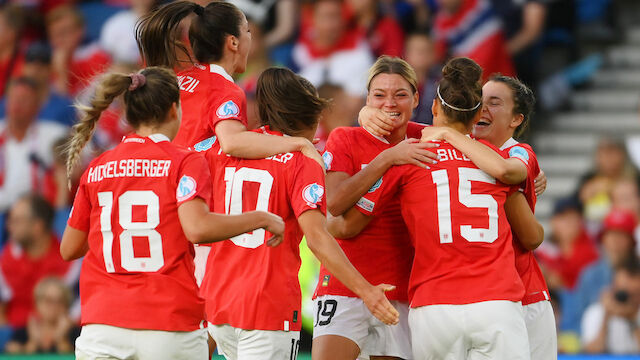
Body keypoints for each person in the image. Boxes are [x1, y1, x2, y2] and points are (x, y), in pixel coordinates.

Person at [60, 66, 284, 359]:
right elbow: (197, 228)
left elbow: (69, 248)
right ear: (174, 109)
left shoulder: (98, 167)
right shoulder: (184, 161)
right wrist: (262, 218)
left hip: (102, 325)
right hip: (167, 323)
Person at [340, 57, 543, 359]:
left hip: (434, 305)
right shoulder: (494, 158)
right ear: (477, 117)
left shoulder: (409, 157)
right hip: (496, 300)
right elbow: (532, 236)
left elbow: (347, 224)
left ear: (433, 108)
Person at [200, 67, 400, 360]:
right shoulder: (302, 160)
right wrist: (367, 291)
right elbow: (318, 238)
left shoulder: (223, 148)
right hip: (268, 310)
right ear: (309, 120)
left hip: (217, 304)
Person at [312, 56, 437, 360]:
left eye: (400, 94)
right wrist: (388, 158)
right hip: (345, 286)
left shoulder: (428, 139)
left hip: (402, 289)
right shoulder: (346, 138)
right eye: (379, 95)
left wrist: (520, 162)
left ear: (417, 97)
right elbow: (336, 202)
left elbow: (471, 142)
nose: (389, 103)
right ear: (367, 99)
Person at [0, 194, 74, 337]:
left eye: (17, 221)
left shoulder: (69, 260)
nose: (9, 226)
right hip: (14, 342)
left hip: (62, 340)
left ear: (37, 226)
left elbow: (75, 312)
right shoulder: (6, 259)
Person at [0, 77, 68, 213]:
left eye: (24, 99)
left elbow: (82, 164)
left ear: (38, 105)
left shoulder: (53, 134)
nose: (17, 103)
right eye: (13, 98)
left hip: (37, 215)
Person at [4, 276, 79, 354]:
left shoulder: (76, 334)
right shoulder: (23, 333)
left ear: (67, 306)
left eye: (60, 301)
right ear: (37, 304)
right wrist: (33, 342)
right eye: (48, 301)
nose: (54, 306)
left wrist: (62, 340)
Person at [581, 262, 640, 354]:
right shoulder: (595, 312)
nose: (629, 300)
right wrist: (606, 316)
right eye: (624, 293)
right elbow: (592, 352)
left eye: (634, 294)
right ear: (613, 288)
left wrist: (633, 320)